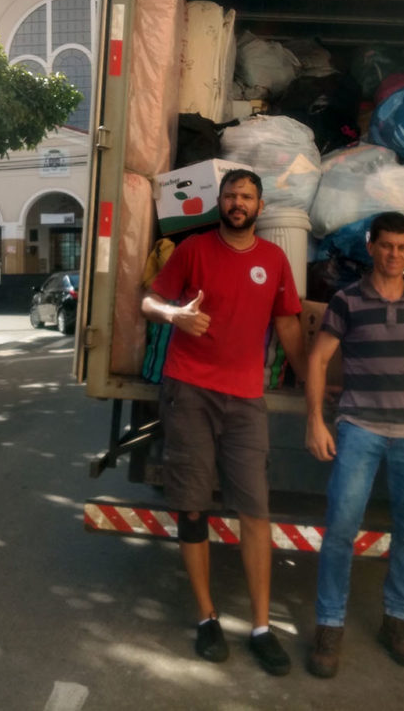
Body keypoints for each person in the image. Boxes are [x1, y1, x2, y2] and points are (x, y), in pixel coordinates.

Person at [141, 168, 306, 676]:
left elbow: (287, 322)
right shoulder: (192, 250)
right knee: (192, 507)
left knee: (255, 512)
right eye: (231, 195)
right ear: (220, 201)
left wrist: (314, 387)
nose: (238, 203)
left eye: (247, 196)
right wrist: (176, 317)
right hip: (188, 390)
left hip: (245, 399)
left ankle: (261, 626)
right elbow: (148, 300)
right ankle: (206, 617)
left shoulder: (274, 259)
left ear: (260, 205)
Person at [304, 212, 404, 678]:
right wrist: (315, 422)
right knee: (341, 526)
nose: (394, 254)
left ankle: (398, 620)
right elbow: (319, 359)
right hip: (359, 428)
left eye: (403, 247)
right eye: (386, 245)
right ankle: (328, 626)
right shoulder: (346, 301)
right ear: (371, 247)